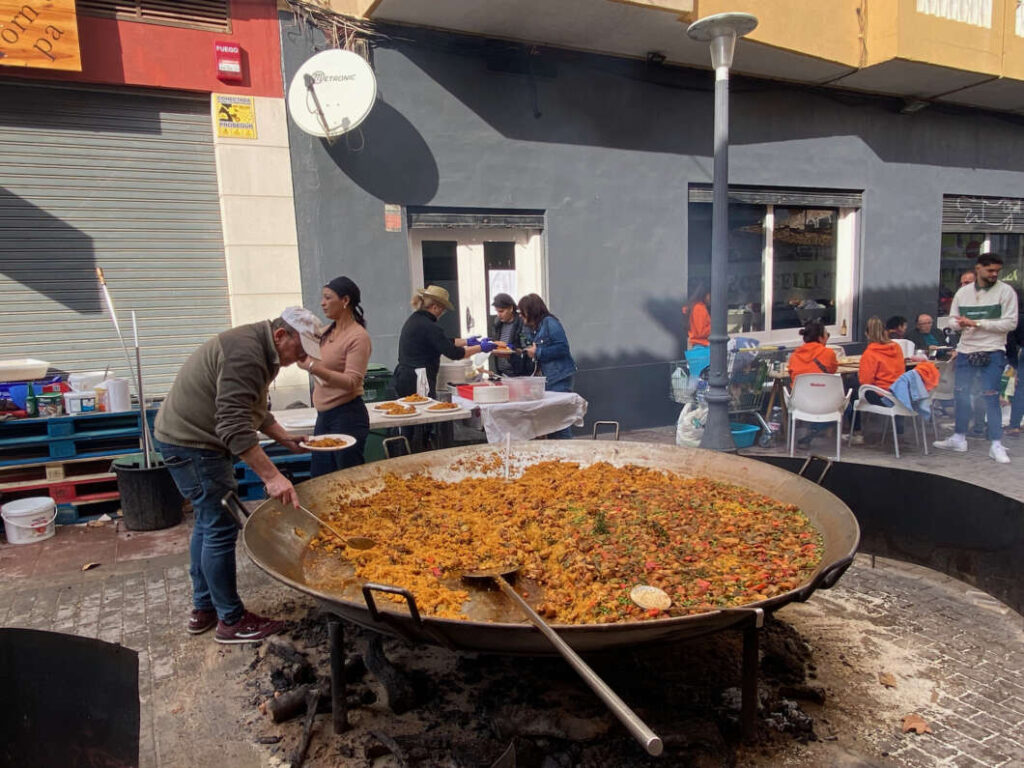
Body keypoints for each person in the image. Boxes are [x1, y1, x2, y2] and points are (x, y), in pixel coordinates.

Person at [154, 307, 321, 644]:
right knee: (218, 527)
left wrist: (284, 438)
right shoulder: (246, 353)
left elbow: (253, 409)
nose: (301, 358)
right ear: (280, 335)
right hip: (195, 444)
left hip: (183, 438)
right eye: (299, 349)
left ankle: (204, 608)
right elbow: (232, 426)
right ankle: (231, 619)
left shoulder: (260, 347)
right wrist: (272, 476)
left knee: (206, 523)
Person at [934, 254, 1019, 463]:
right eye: (990, 270)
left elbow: (1010, 323)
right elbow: (952, 320)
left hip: (993, 349)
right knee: (961, 393)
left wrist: (978, 323)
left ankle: (996, 444)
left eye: (997, 271)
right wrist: (959, 324)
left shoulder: (1006, 292)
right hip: (966, 349)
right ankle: (959, 437)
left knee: (990, 395)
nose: (994, 274)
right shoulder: (963, 293)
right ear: (978, 268)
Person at [305, 276, 372, 477]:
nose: (322, 303)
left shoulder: (358, 337)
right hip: (323, 417)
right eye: (322, 298)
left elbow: (352, 382)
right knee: (320, 478)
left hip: (347, 417)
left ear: (345, 301)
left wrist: (313, 368)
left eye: (327, 297)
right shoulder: (325, 332)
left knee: (346, 481)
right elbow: (305, 354)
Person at [393, 285, 492, 399]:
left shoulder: (415, 320)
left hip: (404, 376)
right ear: (435, 307)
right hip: (417, 380)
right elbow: (454, 353)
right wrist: (481, 348)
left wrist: (467, 342)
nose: (442, 313)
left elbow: (441, 342)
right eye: (443, 310)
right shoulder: (429, 326)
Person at [519, 293, 578, 438]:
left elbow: (563, 348)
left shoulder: (550, 323)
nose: (520, 316)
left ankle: (568, 454)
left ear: (531, 311)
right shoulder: (532, 328)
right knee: (549, 423)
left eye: (522, 312)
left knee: (559, 422)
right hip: (544, 379)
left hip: (558, 377)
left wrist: (538, 352)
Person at [848, 316, 906, 445]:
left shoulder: (870, 353)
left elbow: (865, 381)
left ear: (868, 334)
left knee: (852, 387)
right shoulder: (896, 347)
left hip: (881, 397)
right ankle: (899, 431)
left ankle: (857, 432)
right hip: (898, 395)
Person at [788, 319, 839, 448]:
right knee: (846, 406)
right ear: (821, 337)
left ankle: (809, 432)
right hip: (825, 403)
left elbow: (791, 375)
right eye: (826, 334)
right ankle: (814, 431)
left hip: (800, 402)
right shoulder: (829, 353)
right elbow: (833, 370)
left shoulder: (794, 356)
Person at [489, 293, 530, 377]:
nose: (499, 315)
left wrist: (513, 350)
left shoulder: (521, 322)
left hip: (519, 373)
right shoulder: (497, 323)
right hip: (501, 374)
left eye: (501, 311)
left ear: (511, 308)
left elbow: (526, 348)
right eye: (497, 311)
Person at [682, 285, 710, 349]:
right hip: (702, 346)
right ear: (705, 294)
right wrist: (715, 329)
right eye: (709, 295)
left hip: (699, 345)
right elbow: (701, 332)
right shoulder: (699, 308)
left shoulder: (695, 306)